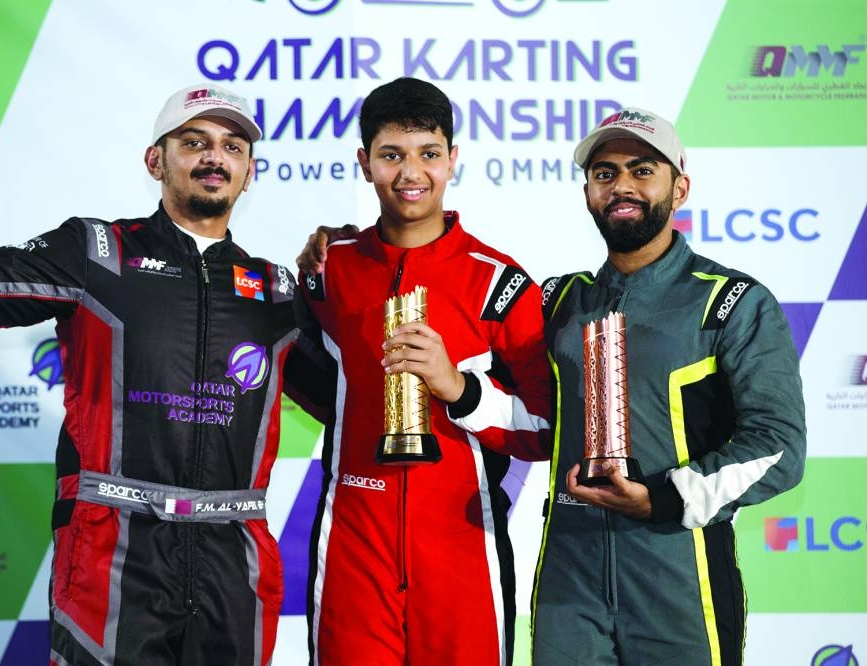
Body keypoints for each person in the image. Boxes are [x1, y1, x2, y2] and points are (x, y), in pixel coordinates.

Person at [0, 83, 297, 666]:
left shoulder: (278, 292)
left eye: (232, 147)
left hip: (234, 557)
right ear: (156, 160)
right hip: (115, 547)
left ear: (249, 173)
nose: (214, 157)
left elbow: (351, 394)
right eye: (194, 142)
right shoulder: (96, 251)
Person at [284, 77, 553, 665]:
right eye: (391, 155)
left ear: (452, 160)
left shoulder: (500, 284)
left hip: (462, 542)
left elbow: (547, 429)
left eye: (428, 154)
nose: (411, 173)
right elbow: (297, 373)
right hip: (355, 535)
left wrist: (459, 389)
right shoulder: (329, 271)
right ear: (364, 163)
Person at [530, 108, 806, 665]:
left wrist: (661, 498)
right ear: (587, 192)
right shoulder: (557, 301)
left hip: (679, 570)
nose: (622, 186)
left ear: (679, 188)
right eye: (605, 174)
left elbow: (779, 448)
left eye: (642, 170)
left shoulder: (731, 302)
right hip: (569, 574)